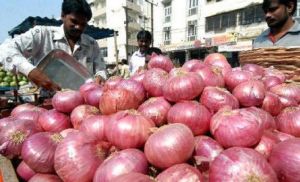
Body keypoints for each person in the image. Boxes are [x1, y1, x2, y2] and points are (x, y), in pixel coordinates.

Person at [0, 0, 107, 91]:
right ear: (63, 15)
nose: (78, 27)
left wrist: (100, 76)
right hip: (46, 102)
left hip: (82, 104)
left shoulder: (92, 44)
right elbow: (5, 49)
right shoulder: (42, 34)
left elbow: (100, 68)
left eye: (83, 24)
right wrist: (30, 71)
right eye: (74, 21)